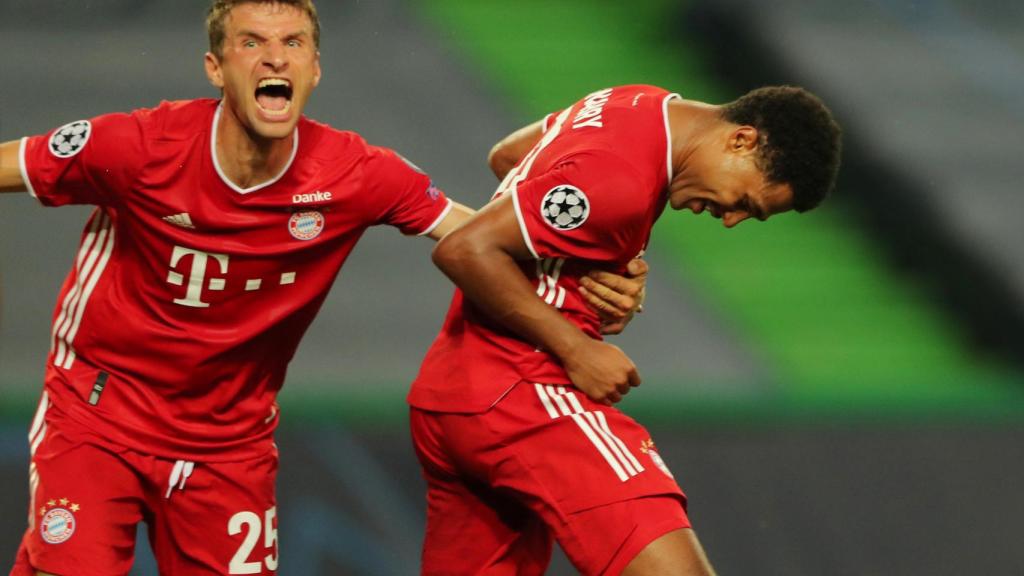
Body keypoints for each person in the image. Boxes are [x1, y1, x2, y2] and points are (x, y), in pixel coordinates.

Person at [0, 2, 648, 574]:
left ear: (313, 70)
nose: (274, 57)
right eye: (251, 42)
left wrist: (585, 277)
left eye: (293, 43)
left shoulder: (356, 173)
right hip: (98, 414)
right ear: (215, 68)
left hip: (229, 444)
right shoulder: (138, 145)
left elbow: (482, 237)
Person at [409, 84, 842, 575]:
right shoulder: (620, 184)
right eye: (745, 201)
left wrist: (597, 254)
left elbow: (511, 157)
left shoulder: (637, 103)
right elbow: (464, 249)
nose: (731, 220)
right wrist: (576, 348)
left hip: (453, 393)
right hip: (528, 396)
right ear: (741, 139)